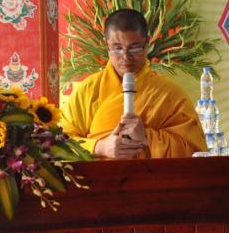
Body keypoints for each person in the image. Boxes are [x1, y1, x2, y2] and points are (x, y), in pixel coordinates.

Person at [60, 9, 207, 159]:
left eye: (134, 48)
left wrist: (147, 137)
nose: (126, 57)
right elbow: (59, 143)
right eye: (117, 48)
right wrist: (99, 147)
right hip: (98, 174)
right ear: (107, 45)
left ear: (147, 43)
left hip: (150, 174)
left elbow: (194, 149)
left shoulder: (169, 93)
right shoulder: (88, 90)